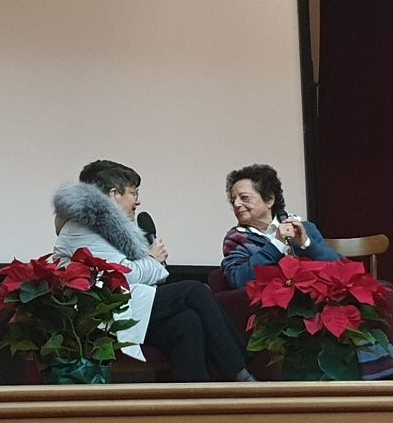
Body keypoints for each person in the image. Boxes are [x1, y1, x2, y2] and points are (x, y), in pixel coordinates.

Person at [53, 160, 254, 382]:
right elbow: (124, 275)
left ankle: (193, 397)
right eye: (133, 193)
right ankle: (242, 372)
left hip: (123, 306)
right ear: (113, 194)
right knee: (194, 291)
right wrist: (152, 259)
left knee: (187, 322)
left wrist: (151, 261)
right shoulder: (84, 228)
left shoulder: (110, 228)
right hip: (99, 315)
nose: (137, 201)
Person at [221, 164, 341, 289]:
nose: (236, 204)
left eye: (244, 198)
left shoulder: (303, 228)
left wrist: (307, 244)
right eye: (233, 200)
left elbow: (340, 270)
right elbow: (238, 281)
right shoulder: (236, 239)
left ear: (269, 199)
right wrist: (276, 245)